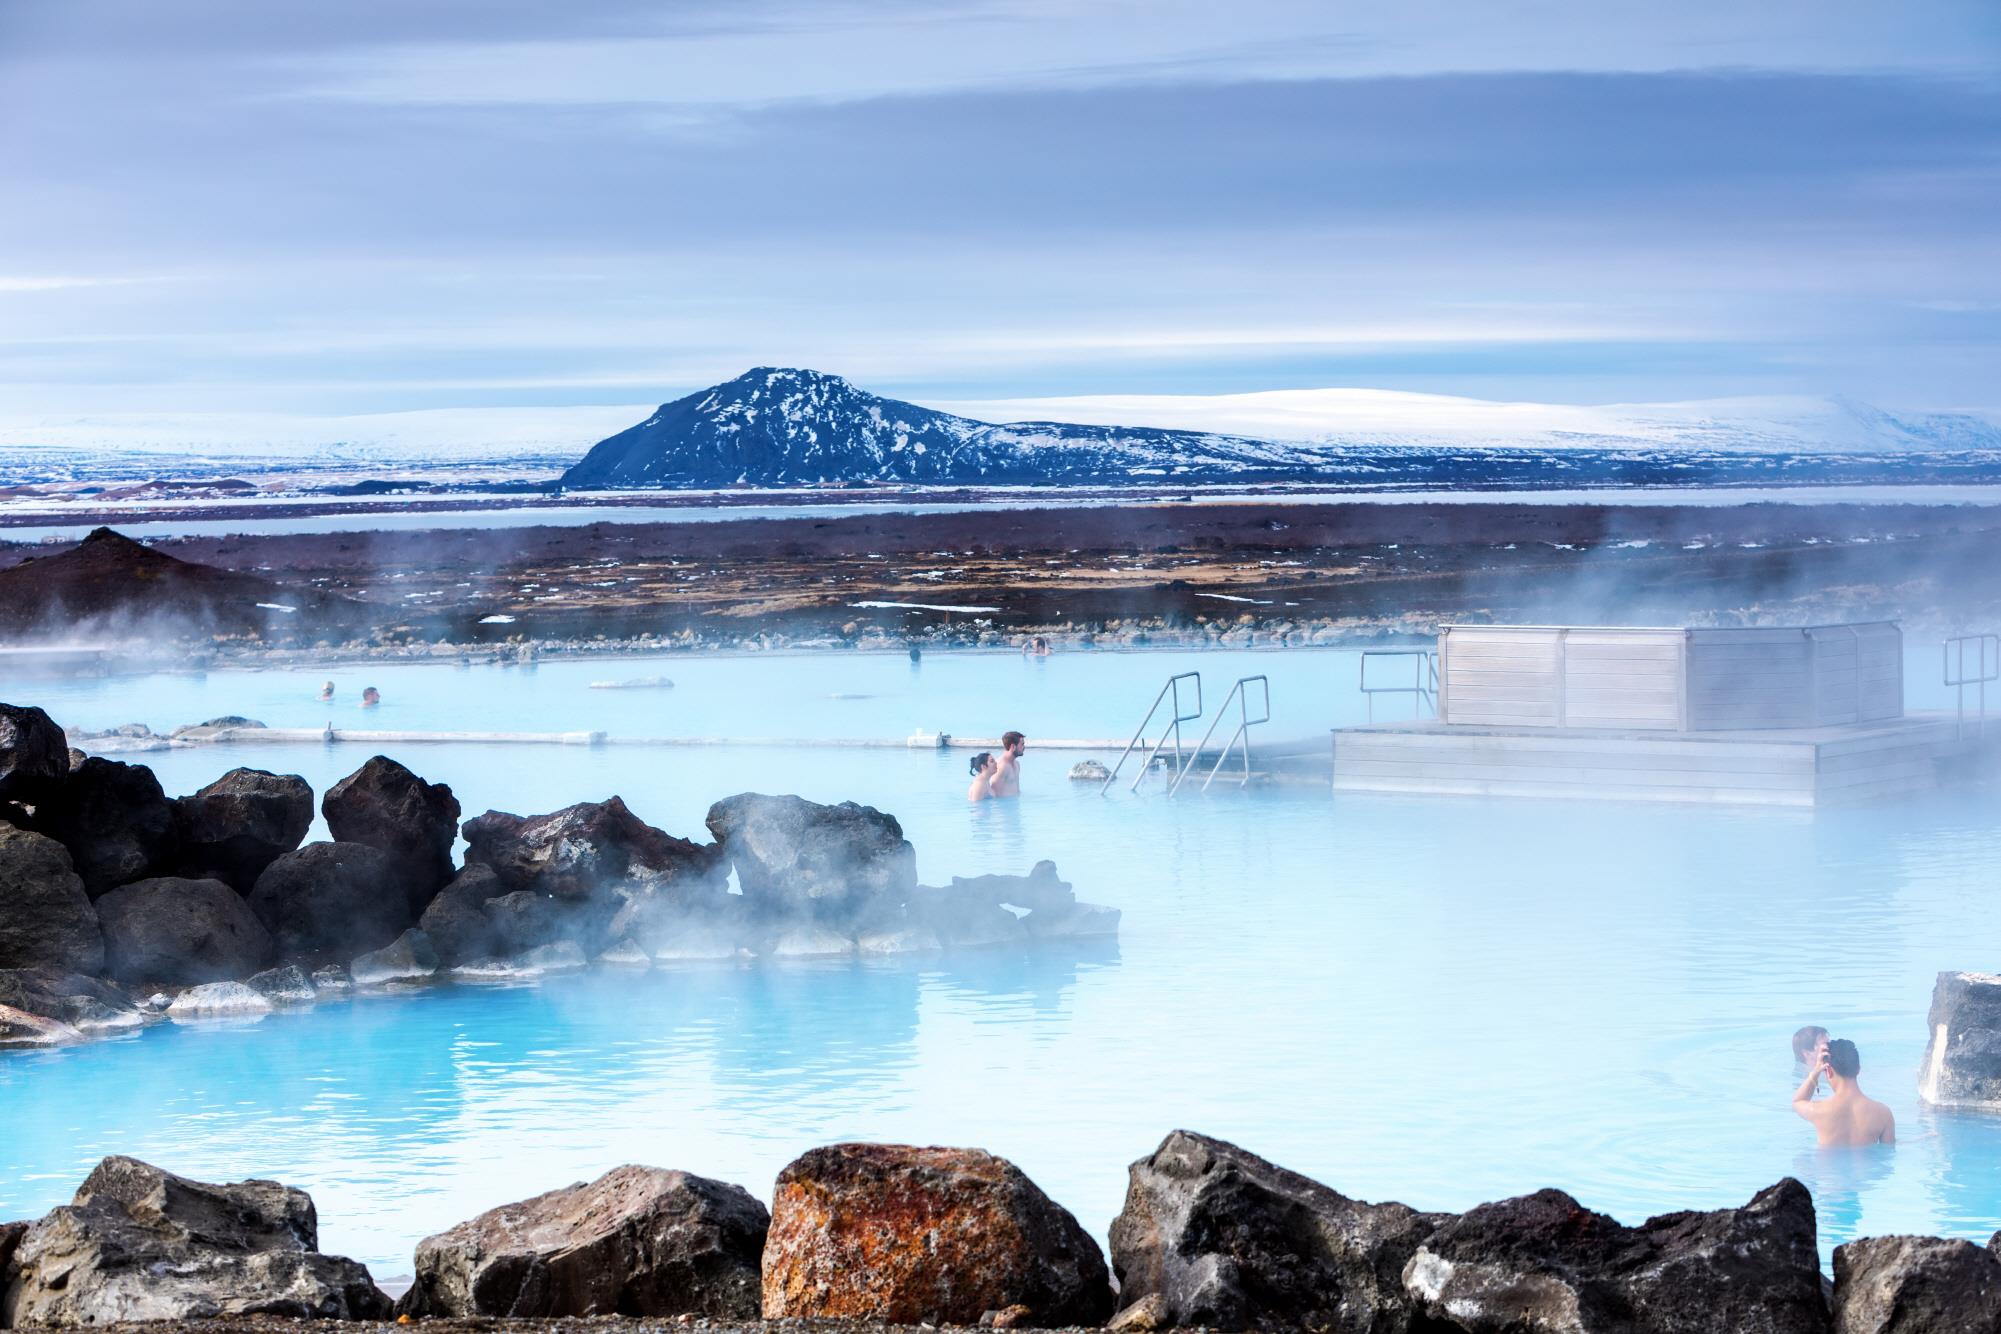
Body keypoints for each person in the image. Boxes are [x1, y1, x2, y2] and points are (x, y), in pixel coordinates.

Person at [1793, 1038, 1895, 1148]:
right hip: (1867, 1165)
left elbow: (1797, 1101)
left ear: (1829, 1071)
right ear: (1858, 1069)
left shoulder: (1818, 1110)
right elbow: (1889, 1152)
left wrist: (1816, 1071)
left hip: (1827, 1165)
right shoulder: (1883, 1113)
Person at [992, 730, 1026, 798]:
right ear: (1013, 747)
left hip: (1014, 805)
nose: (1024, 747)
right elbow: (994, 793)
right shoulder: (1001, 767)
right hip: (1004, 807)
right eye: (1022, 744)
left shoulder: (1017, 764)